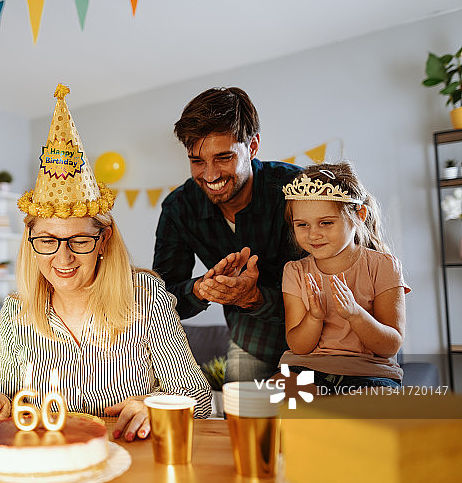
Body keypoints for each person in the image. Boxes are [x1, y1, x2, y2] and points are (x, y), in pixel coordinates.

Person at [0, 84, 212, 442]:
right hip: (50, 463)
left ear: (103, 239)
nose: (63, 258)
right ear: (31, 243)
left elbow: (199, 401)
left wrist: (156, 406)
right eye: (46, 241)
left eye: (78, 240)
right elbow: (10, 395)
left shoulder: (147, 298)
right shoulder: (17, 310)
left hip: (128, 463)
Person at [153, 86, 303, 383]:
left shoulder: (297, 189)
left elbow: (334, 279)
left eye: (223, 157)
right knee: (242, 426)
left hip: (325, 343)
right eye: (197, 161)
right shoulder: (179, 208)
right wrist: (200, 290)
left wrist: (256, 297)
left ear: (253, 145)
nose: (209, 175)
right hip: (253, 343)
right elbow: (162, 298)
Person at [278, 163, 407, 389]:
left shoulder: (384, 266)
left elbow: (390, 346)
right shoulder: (295, 271)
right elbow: (299, 346)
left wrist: (356, 314)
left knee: (361, 420)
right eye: (302, 224)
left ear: (359, 216)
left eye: (326, 223)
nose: (313, 234)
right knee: (274, 410)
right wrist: (314, 317)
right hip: (306, 369)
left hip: (370, 373)